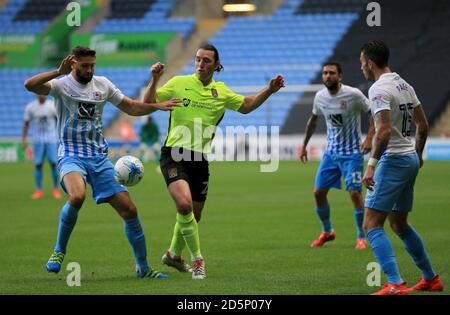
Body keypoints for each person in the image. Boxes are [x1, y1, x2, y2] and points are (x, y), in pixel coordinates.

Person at [23, 46, 180, 279]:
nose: (89, 69)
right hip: (71, 154)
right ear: (73, 63)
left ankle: (143, 268)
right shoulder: (62, 84)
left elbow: (130, 106)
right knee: (77, 196)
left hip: (98, 157)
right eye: (84, 65)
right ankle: (59, 250)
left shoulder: (103, 84)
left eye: (92, 65)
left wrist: (155, 106)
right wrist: (57, 71)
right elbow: (30, 85)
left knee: (130, 210)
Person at [143, 43, 285, 279]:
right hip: (174, 154)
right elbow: (149, 102)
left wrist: (269, 90)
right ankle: (197, 259)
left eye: (206, 60)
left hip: (199, 159)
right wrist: (155, 79)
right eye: (198, 59)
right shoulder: (179, 83)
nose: (200, 64)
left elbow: (247, 105)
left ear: (216, 65)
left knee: (193, 216)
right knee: (185, 205)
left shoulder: (221, 92)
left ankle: (173, 255)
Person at [360, 40, 444, 295]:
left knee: (371, 225)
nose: (362, 67)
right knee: (399, 224)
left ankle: (395, 284)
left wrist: (371, 165)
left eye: (362, 63)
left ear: (370, 63)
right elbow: (424, 125)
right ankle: (430, 278)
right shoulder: (404, 84)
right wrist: (417, 154)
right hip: (408, 158)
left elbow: (384, 130)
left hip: (393, 159)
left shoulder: (378, 89)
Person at [299, 62, 374, 250]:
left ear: (340, 76)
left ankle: (360, 236)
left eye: (332, 73)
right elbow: (313, 121)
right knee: (318, 192)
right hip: (331, 153)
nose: (327, 76)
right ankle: (327, 231)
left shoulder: (353, 94)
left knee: (355, 193)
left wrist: (370, 138)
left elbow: (374, 113)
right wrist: (304, 145)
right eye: (325, 73)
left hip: (353, 154)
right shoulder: (320, 97)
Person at [22, 94, 61, 199]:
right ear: (36, 94)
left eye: (43, 93)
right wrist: (23, 140)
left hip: (51, 139)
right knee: (38, 165)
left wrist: (60, 136)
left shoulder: (52, 106)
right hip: (38, 140)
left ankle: (56, 189)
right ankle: (39, 190)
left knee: (54, 163)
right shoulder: (31, 107)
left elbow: (59, 120)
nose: (41, 95)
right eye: (39, 93)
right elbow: (26, 124)